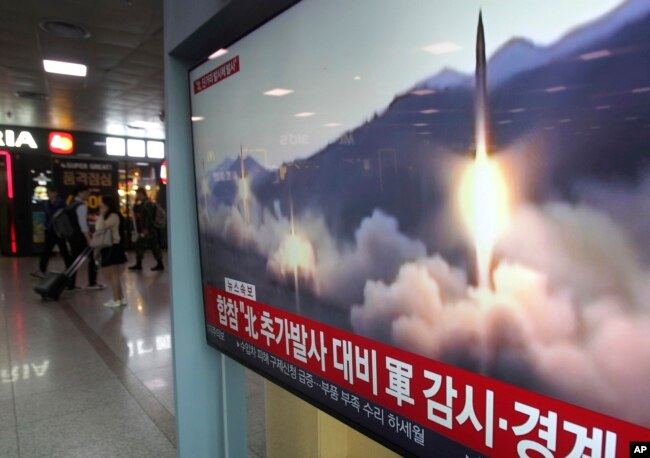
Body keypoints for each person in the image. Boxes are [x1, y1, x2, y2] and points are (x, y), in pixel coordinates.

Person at [67, 185, 104, 291]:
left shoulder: (71, 205)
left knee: (73, 260)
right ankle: (92, 282)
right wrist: (88, 238)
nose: (89, 195)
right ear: (80, 192)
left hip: (73, 236)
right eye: (87, 193)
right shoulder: (81, 206)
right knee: (92, 258)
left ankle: (70, 284)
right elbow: (83, 224)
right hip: (81, 237)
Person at [31, 185, 72, 278]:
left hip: (58, 230)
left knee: (63, 250)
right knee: (47, 250)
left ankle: (69, 267)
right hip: (50, 230)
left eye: (51, 192)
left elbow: (58, 216)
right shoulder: (47, 203)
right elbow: (48, 217)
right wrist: (45, 226)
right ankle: (42, 269)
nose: (49, 194)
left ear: (55, 193)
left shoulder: (61, 203)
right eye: (48, 193)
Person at [95, 195, 128, 307]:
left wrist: (101, 216)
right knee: (115, 275)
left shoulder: (112, 216)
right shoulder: (115, 215)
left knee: (112, 274)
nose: (101, 209)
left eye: (102, 207)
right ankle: (120, 298)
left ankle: (116, 299)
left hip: (112, 247)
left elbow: (99, 228)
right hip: (114, 247)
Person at [129, 188, 164, 271]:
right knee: (153, 245)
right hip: (148, 229)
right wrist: (136, 201)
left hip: (148, 229)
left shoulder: (147, 204)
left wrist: (146, 228)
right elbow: (135, 210)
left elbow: (149, 217)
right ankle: (159, 263)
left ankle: (139, 264)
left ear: (142, 193)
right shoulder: (144, 203)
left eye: (138, 194)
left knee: (141, 244)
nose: (137, 196)